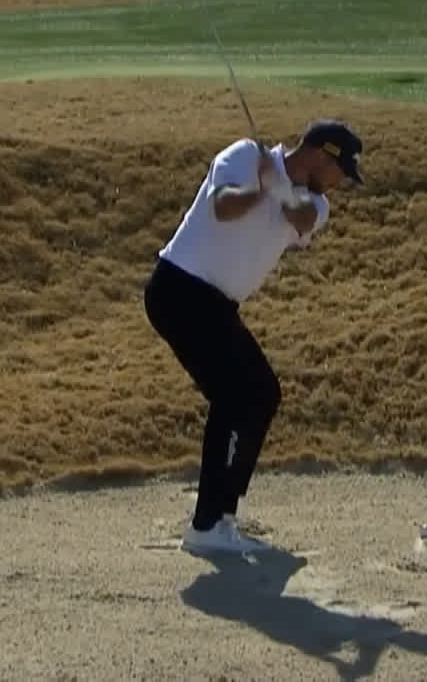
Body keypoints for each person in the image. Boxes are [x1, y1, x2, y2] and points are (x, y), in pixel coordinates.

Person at [145, 119, 364, 555]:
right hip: (179, 290)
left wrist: (276, 188)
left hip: (215, 306)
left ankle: (222, 516)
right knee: (236, 395)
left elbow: (299, 217)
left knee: (261, 394)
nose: (342, 184)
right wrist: (261, 186)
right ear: (323, 155)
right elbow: (222, 206)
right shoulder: (245, 156)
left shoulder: (316, 205)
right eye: (344, 173)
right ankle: (207, 524)